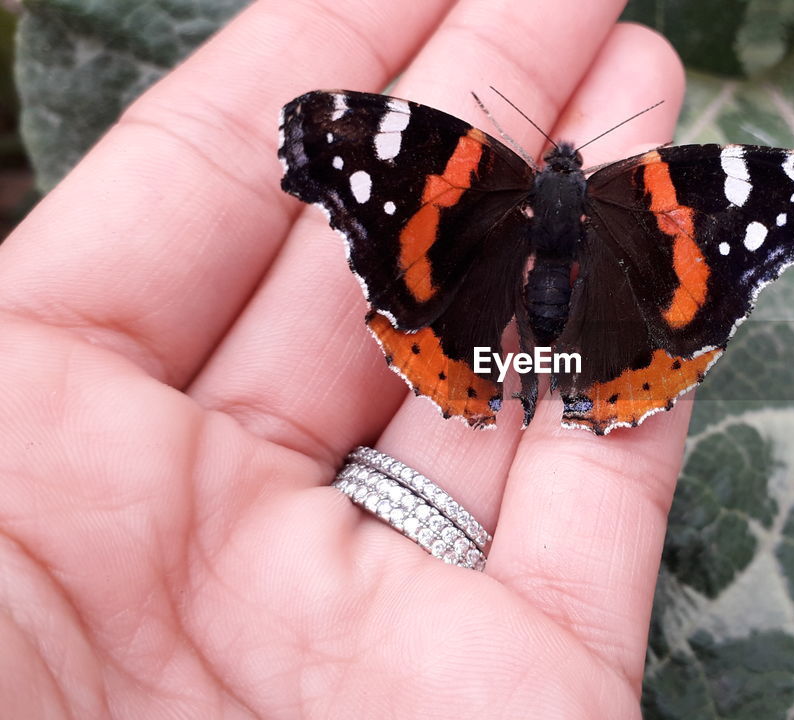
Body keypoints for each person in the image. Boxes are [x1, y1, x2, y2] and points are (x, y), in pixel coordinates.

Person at [0, 1, 689, 716]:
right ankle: (610, 381)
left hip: (452, 311)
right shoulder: (650, 192)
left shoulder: (469, 168)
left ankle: (491, 378)